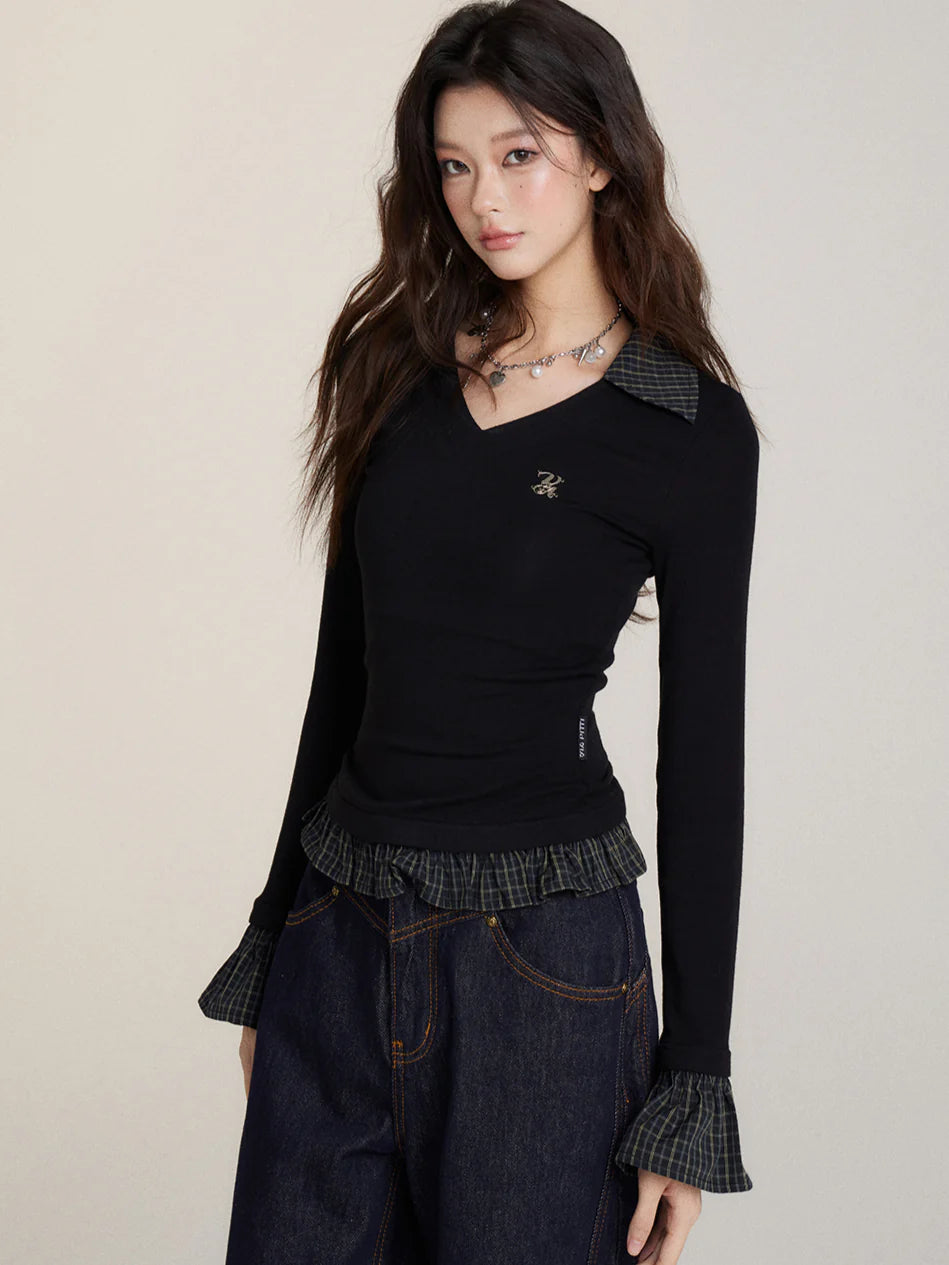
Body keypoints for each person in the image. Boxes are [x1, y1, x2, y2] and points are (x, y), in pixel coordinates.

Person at [198, 2, 762, 1261]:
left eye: (519, 155)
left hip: (546, 967)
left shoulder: (683, 426)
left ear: (601, 154)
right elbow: (344, 677)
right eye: (453, 166)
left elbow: (703, 758)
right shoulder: (392, 369)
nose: (483, 200)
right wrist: (274, 937)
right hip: (338, 935)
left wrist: (692, 1081)